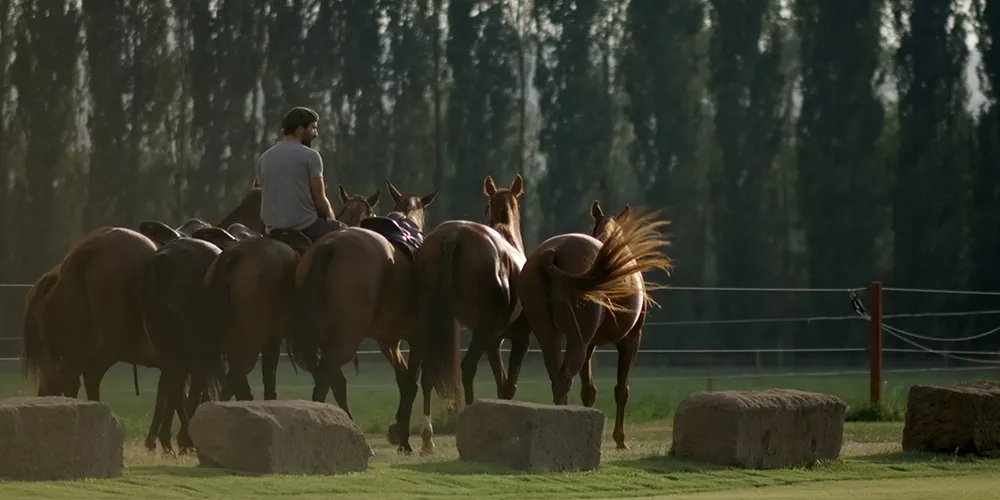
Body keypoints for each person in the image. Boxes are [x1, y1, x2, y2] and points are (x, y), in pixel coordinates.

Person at [253, 106, 346, 241]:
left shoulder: (264, 158)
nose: (316, 134)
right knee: (345, 236)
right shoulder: (311, 156)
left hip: (272, 230)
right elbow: (320, 201)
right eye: (313, 128)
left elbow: (257, 192)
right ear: (299, 129)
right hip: (304, 227)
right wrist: (333, 221)